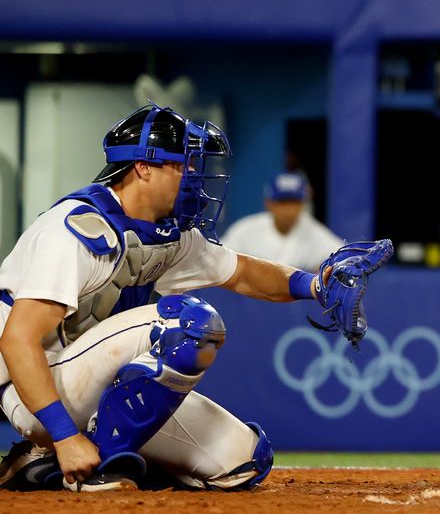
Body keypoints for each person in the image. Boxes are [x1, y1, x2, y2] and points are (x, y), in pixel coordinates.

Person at [0, 104, 390, 493]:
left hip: (97, 388)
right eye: (182, 164)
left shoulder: (170, 233)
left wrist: (315, 286)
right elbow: (18, 340)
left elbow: (243, 273)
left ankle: (42, 464)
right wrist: (65, 436)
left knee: (244, 461)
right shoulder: (75, 229)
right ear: (143, 168)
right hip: (36, 387)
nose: (193, 175)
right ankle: (84, 463)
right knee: (187, 324)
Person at [220, 172, 345, 272]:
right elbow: (218, 259)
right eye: (283, 202)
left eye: (294, 202)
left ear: (303, 204)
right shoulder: (246, 230)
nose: (289, 210)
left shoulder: (314, 232)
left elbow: (347, 259)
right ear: (269, 203)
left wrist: (327, 269)